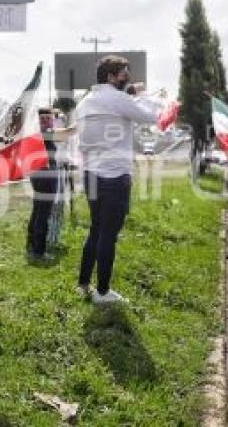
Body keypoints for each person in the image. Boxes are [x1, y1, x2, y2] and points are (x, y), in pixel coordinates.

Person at [74, 55, 163, 304]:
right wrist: (147, 97)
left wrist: (131, 94)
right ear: (111, 77)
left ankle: (83, 283)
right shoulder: (118, 98)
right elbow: (151, 116)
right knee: (108, 234)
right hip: (115, 176)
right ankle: (102, 292)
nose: (128, 78)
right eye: (124, 74)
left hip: (91, 174)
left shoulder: (85, 102)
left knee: (95, 229)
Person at [26, 108, 73, 261]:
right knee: (43, 213)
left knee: (38, 210)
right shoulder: (44, 133)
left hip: (38, 173)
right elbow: (65, 134)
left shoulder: (36, 132)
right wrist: (82, 123)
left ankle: (32, 246)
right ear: (38, 121)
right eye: (43, 118)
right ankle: (39, 251)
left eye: (48, 118)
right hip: (46, 175)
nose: (46, 121)